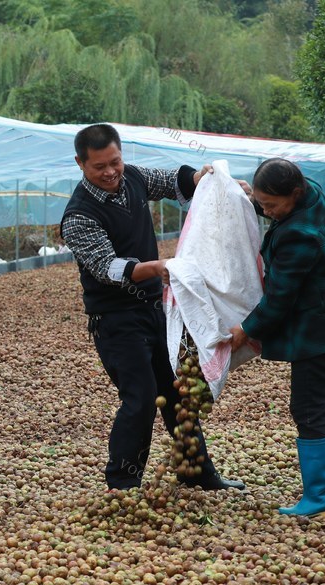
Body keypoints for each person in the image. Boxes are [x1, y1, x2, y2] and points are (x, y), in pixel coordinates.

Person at [60, 123, 245, 491]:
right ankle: (122, 486)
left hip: (155, 310)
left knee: (177, 391)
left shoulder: (133, 178)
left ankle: (198, 475)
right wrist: (158, 267)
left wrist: (210, 182)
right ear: (80, 163)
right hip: (115, 319)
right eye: (100, 167)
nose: (111, 172)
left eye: (116, 161)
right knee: (141, 398)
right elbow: (107, 267)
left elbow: (175, 182)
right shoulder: (78, 215)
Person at [230, 158, 325, 517]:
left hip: (318, 335)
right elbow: (276, 201)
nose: (267, 211)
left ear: (293, 194)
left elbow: (280, 300)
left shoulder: (297, 235)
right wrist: (252, 198)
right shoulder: (311, 194)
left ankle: (318, 497)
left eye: (271, 204)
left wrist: (246, 330)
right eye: (262, 203)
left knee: (309, 408)